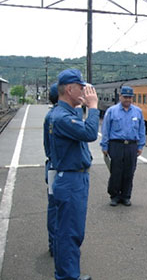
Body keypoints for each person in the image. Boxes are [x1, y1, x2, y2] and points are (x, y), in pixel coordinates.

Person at [49, 69, 99, 280]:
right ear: (69, 89)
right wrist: (94, 106)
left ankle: (65, 273)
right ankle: (68, 277)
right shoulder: (62, 117)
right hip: (71, 179)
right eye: (81, 87)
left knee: (66, 230)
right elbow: (89, 134)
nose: (85, 91)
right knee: (70, 232)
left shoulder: (61, 114)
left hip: (68, 176)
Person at [100, 86, 146, 207]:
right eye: (125, 97)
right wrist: (104, 146)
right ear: (120, 97)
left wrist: (141, 145)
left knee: (129, 172)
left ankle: (126, 196)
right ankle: (114, 196)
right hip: (116, 145)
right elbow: (105, 129)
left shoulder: (138, 111)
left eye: (130, 97)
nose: (127, 99)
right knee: (116, 171)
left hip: (131, 145)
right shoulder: (112, 111)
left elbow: (142, 130)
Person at [43, 82, 59, 257]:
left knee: (53, 207)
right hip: (59, 169)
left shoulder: (49, 116)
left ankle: (53, 243)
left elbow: (47, 146)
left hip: (52, 167)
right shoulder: (59, 116)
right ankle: (55, 245)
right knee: (57, 208)